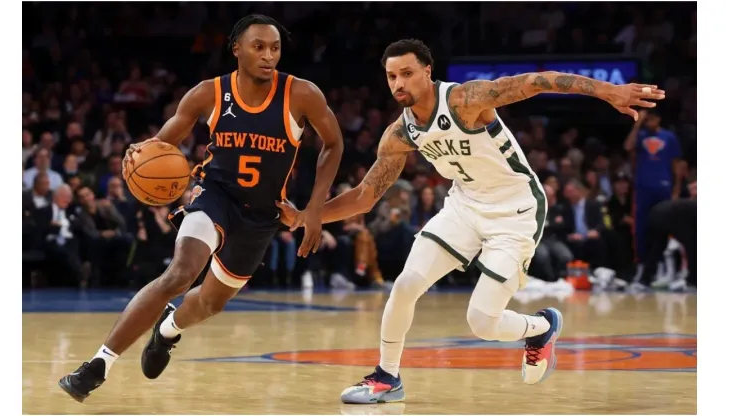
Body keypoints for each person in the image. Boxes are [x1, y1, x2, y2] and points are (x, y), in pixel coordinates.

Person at [278, 39, 664, 403]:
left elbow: (535, 82)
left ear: (428, 72)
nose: (399, 83)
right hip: (464, 206)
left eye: (407, 73)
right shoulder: (399, 133)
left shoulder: (465, 99)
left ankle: (542, 327)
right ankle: (387, 377)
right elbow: (365, 196)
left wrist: (607, 92)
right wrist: (305, 216)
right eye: (392, 76)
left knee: (482, 321)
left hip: (516, 210)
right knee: (406, 284)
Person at [58, 14, 343, 402]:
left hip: (262, 215)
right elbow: (161, 145)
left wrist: (313, 209)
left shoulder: (301, 93)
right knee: (179, 274)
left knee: (210, 302)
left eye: (275, 48)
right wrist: (141, 153)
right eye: (258, 46)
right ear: (236, 49)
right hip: (213, 196)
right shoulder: (208, 93)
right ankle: (97, 365)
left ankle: (167, 330)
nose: (268, 56)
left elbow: (333, 143)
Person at [623, 108, 685, 286]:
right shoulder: (640, 135)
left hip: (663, 189)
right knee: (641, 230)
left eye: (651, 117)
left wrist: (676, 190)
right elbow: (627, 146)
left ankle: (662, 269)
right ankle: (642, 268)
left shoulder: (669, 137)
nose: (648, 120)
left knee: (664, 229)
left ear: (658, 118)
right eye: (646, 118)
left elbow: (677, 166)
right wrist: (637, 124)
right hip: (643, 189)